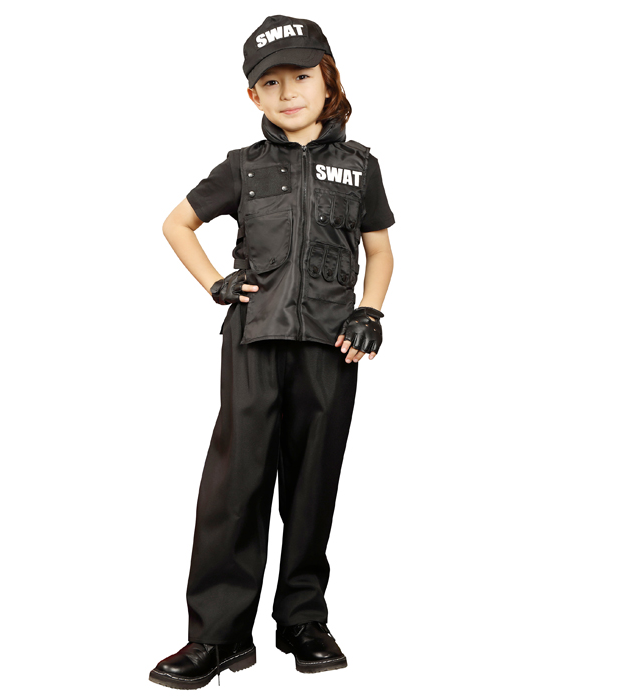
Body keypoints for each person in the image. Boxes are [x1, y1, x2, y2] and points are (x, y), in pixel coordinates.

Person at [149, 14, 395, 690]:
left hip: (331, 346)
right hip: (253, 342)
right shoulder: (243, 168)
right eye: (271, 82)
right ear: (253, 95)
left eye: (302, 77)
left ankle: (302, 621)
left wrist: (370, 310)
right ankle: (219, 634)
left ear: (328, 80)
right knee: (236, 485)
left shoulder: (361, 167)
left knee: (314, 483)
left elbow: (379, 251)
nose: (289, 92)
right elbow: (177, 223)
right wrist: (216, 284)